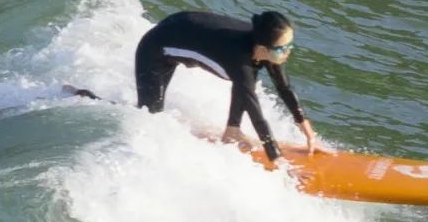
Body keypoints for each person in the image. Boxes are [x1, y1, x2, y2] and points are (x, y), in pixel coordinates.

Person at [134, 10, 322, 162]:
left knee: (247, 80)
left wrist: (308, 134)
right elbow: (255, 113)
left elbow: (285, 89)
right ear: (263, 48)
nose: (288, 52)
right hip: (155, 49)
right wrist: (276, 158)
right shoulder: (240, 61)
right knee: (149, 117)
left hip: (181, 28)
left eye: (290, 45)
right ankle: (113, 112)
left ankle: (232, 131)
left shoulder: (265, 44)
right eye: (283, 48)